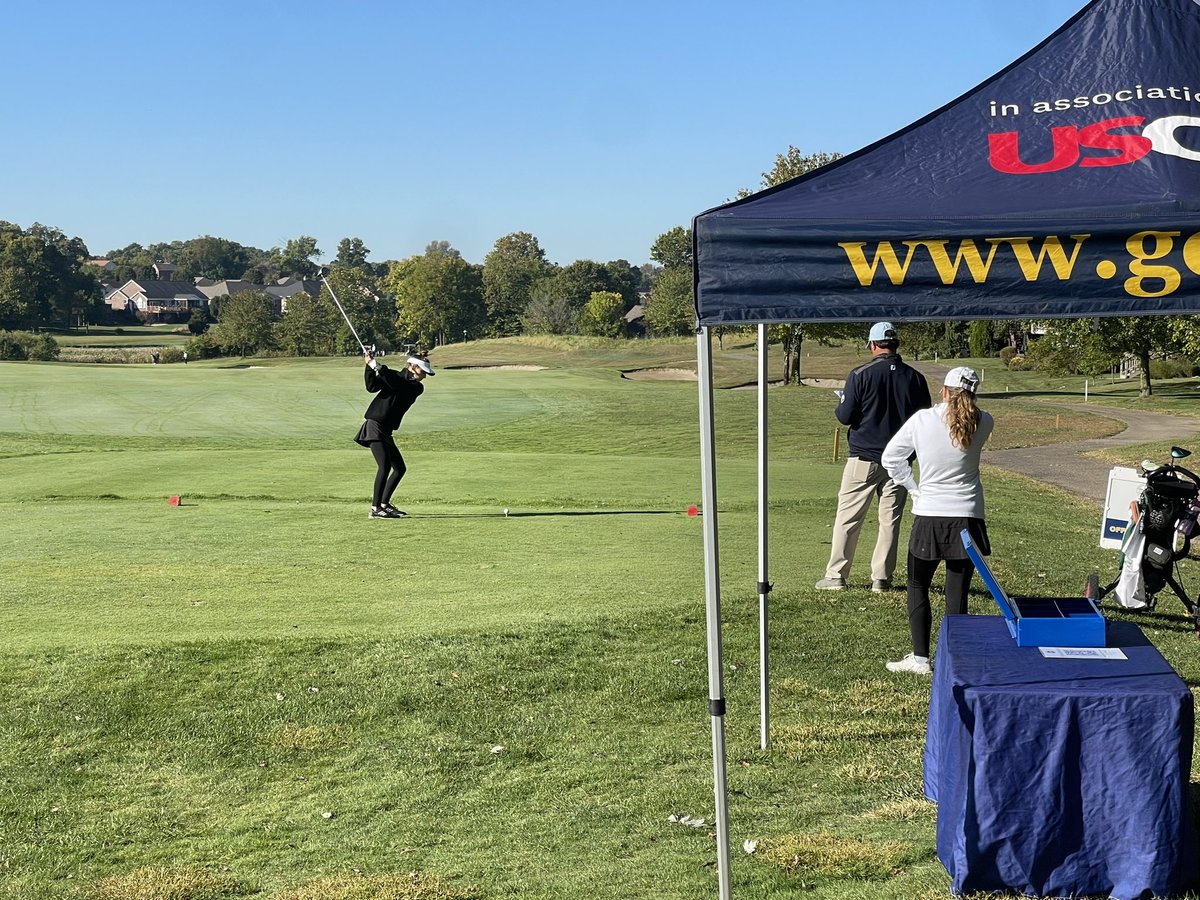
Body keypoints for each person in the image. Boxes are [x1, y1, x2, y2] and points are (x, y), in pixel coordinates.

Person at [880, 366, 994, 675]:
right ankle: (954, 659)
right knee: (957, 592)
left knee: (917, 584)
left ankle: (920, 659)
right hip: (967, 517)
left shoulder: (922, 420)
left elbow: (890, 458)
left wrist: (914, 488)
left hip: (930, 514)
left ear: (944, 390)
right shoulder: (984, 422)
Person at [815, 322, 931, 592]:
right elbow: (923, 420)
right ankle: (881, 578)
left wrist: (844, 400)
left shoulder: (860, 374)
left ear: (873, 344)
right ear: (896, 344)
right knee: (889, 521)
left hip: (864, 459)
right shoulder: (915, 378)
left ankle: (836, 576)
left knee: (848, 518)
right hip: (899, 463)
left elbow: (844, 417)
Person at [354, 352, 435, 519]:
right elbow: (372, 387)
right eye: (422, 371)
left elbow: (398, 384)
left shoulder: (416, 387)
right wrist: (369, 367)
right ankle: (376, 508)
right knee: (384, 467)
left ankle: (384, 504)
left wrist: (379, 367)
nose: (425, 376)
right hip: (374, 425)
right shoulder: (395, 377)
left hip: (385, 430)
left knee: (399, 468)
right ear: (412, 367)